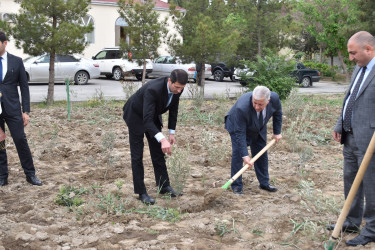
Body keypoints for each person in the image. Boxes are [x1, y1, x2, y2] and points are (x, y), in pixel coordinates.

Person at [328, 31, 375, 247]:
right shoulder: (359, 68)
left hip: (370, 139)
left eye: (353, 53)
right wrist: (340, 124)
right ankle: (352, 221)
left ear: (369, 49)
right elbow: (350, 97)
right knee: (351, 180)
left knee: (371, 185)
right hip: (350, 137)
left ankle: (372, 229)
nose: (351, 58)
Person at [123, 69, 188, 205]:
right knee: (137, 155)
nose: (179, 91)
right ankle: (141, 192)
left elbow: (173, 110)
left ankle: (164, 186)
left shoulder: (177, 90)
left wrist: (171, 133)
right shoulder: (153, 89)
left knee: (158, 151)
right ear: (170, 81)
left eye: (182, 88)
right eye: (177, 87)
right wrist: (162, 139)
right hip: (135, 115)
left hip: (151, 115)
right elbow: (146, 121)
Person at [0, 31, 42, 186]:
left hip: (13, 109)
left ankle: (30, 174)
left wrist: (26, 111)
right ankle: (2, 176)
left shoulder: (16, 62)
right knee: (0, 143)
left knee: (20, 140)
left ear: (4, 43)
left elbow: (24, 87)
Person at [225, 86, 282, 194]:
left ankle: (264, 183)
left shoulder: (274, 99)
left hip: (259, 125)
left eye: (260, 104)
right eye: (254, 102)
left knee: (261, 151)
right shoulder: (242, 107)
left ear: (268, 101)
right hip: (237, 126)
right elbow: (240, 133)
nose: (256, 106)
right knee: (238, 153)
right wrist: (245, 156)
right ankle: (236, 186)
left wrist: (277, 132)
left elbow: (278, 112)